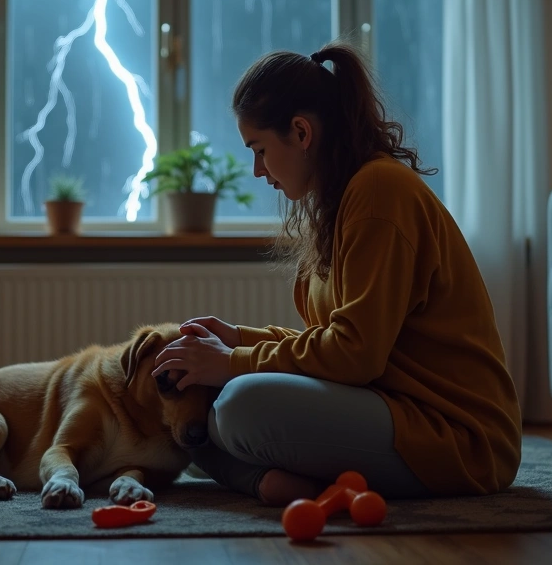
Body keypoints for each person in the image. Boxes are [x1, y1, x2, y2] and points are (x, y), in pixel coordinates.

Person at [151, 41, 522, 505]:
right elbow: (334, 341)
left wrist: (231, 363)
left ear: (302, 133)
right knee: (187, 419)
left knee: (239, 407)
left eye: (260, 149)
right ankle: (266, 481)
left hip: (454, 435)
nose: (257, 170)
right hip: (390, 406)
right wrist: (238, 339)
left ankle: (256, 475)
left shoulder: (380, 192)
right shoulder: (339, 202)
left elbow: (354, 356)